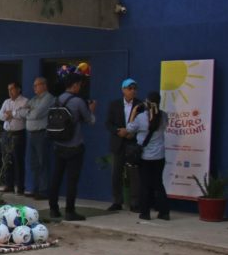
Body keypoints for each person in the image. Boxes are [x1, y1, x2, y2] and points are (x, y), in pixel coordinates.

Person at [48, 72, 96, 221]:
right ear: (75, 85)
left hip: (58, 145)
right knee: (71, 180)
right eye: (80, 85)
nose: (80, 88)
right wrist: (92, 109)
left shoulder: (56, 100)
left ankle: (53, 209)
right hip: (74, 146)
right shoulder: (78, 101)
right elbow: (90, 120)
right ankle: (70, 211)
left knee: (56, 177)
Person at [126, 91, 170, 221]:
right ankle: (164, 212)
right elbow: (164, 126)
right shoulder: (164, 116)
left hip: (145, 157)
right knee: (158, 183)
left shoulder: (141, 117)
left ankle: (145, 213)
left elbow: (129, 128)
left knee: (144, 185)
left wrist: (134, 112)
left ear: (147, 102)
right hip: (160, 156)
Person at [106, 78, 142, 211]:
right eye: (129, 88)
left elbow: (144, 124)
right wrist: (117, 131)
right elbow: (108, 123)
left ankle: (135, 202)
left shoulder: (140, 105)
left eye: (134, 89)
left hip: (133, 143)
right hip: (118, 142)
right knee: (116, 173)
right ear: (123, 90)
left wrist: (132, 132)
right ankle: (117, 201)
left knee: (134, 174)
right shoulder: (114, 104)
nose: (132, 91)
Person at [24, 77, 55, 199]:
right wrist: (29, 112)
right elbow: (22, 111)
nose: (34, 88)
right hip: (31, 134)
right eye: (34, 85)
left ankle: (44, 190)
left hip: (41, 134)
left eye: (37, 85)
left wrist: (29, 112)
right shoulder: (34, 99)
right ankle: (36, 188)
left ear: (44, 85)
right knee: (34, 164)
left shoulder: (48, 98)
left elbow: (37, 114)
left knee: (43, 163)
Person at [0, 81, 28, 194]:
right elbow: (0, 115)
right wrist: (9, 114)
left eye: (12, 89)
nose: (10, 91)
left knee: (18, 161)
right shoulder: (6, 101)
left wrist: (13, 113)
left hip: (18, 134)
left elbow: (24, 114)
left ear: (18, 89)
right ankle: (8, 185)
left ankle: (20, 187)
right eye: (8, 89)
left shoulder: (25, 101)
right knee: (7, 160)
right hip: (6, 133)